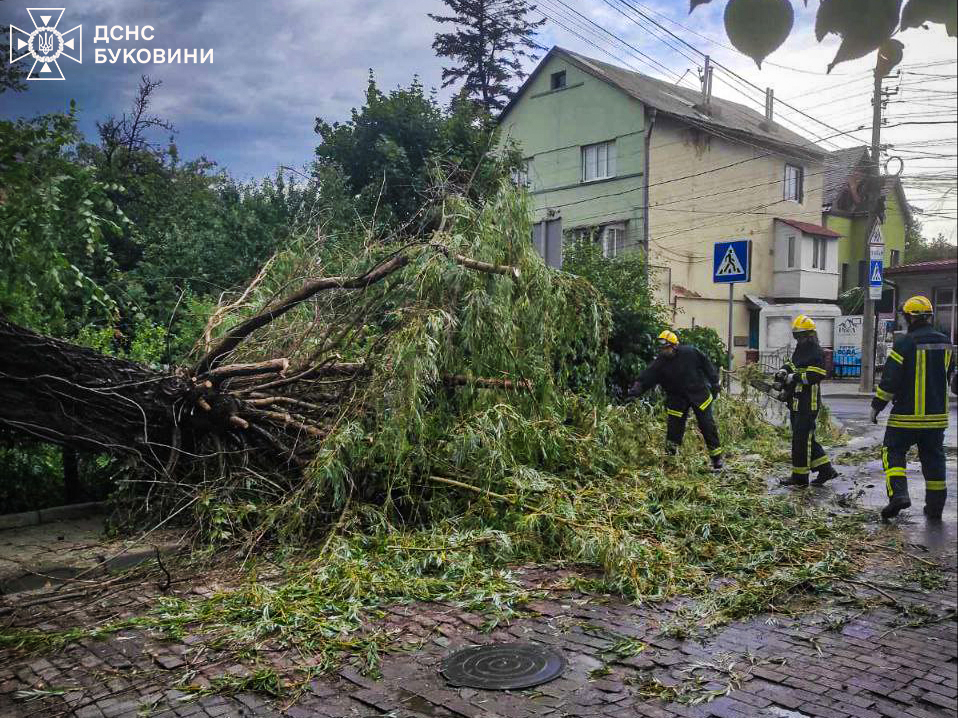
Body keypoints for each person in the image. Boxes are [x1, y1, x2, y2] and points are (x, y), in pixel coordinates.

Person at [870, 295, 955, 520]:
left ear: (909, 317)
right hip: (936, 418)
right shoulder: (946, 343)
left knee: (893, 451)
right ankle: (935, 508)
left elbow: (890, 380)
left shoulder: (905, 344)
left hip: (906, 416)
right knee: (934, 458)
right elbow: (947, 375)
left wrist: (877, 406)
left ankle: (899, 494)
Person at [629, 329, 724, 469]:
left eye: (666, 347)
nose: (663, 351)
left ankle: (716, 459)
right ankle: (670, 461)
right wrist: (636, 388)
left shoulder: (690, 353)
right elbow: (648, 375)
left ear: (674, 345)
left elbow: (707, 365)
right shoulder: (660, 362)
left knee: (707, 426)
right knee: (674, 431)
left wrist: (715, 382)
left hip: (699, 396)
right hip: (677, 399)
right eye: (662, 348)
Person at [780, 315, 839, 487]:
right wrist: (784, 371)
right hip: (797, 402)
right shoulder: (800, 349)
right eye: (796, 336)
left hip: (808, 403)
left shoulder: (816, 352)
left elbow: (815, 375)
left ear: (810, 335)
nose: (799, 339)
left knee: (801, 440)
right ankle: (826, 469)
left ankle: (799, 478)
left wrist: (794, 377)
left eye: (801, 336)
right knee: (805, 439)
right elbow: (793, 364)